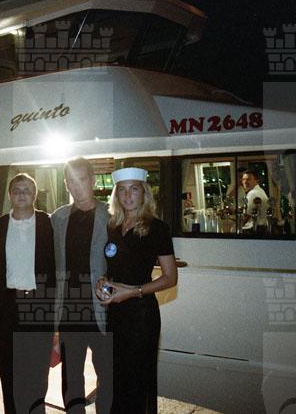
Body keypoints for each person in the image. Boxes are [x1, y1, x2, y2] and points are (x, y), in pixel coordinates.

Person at [96, 167, 178, 414]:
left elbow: (170, 278)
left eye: (134, 189)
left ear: (144, 193)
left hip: (141, 315)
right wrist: (103, 282)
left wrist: (133, 291)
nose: (127, 195)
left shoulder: (157, 228)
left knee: (137, 383)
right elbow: (114, 268)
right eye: (122, 190)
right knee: (115, 379)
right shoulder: (113, 226)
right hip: (115, 313)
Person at [51, 157, 113, 414]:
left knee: (108, 375)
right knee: (71, 376)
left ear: (93, 180)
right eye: (71, 181)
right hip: (69, 311)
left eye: (82, 179)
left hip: (103, 309)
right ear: (66, 184)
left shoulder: (111, 215)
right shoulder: (58, 218)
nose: (77, 186)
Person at [0, 173, 56, 414]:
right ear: (9, 195)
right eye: (16, 189)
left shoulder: (49, 224)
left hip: (39, 305)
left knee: (37, 375)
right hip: (8, 306)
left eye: (27, 189)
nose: (21, 194)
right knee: (8, 373)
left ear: (35, 194)